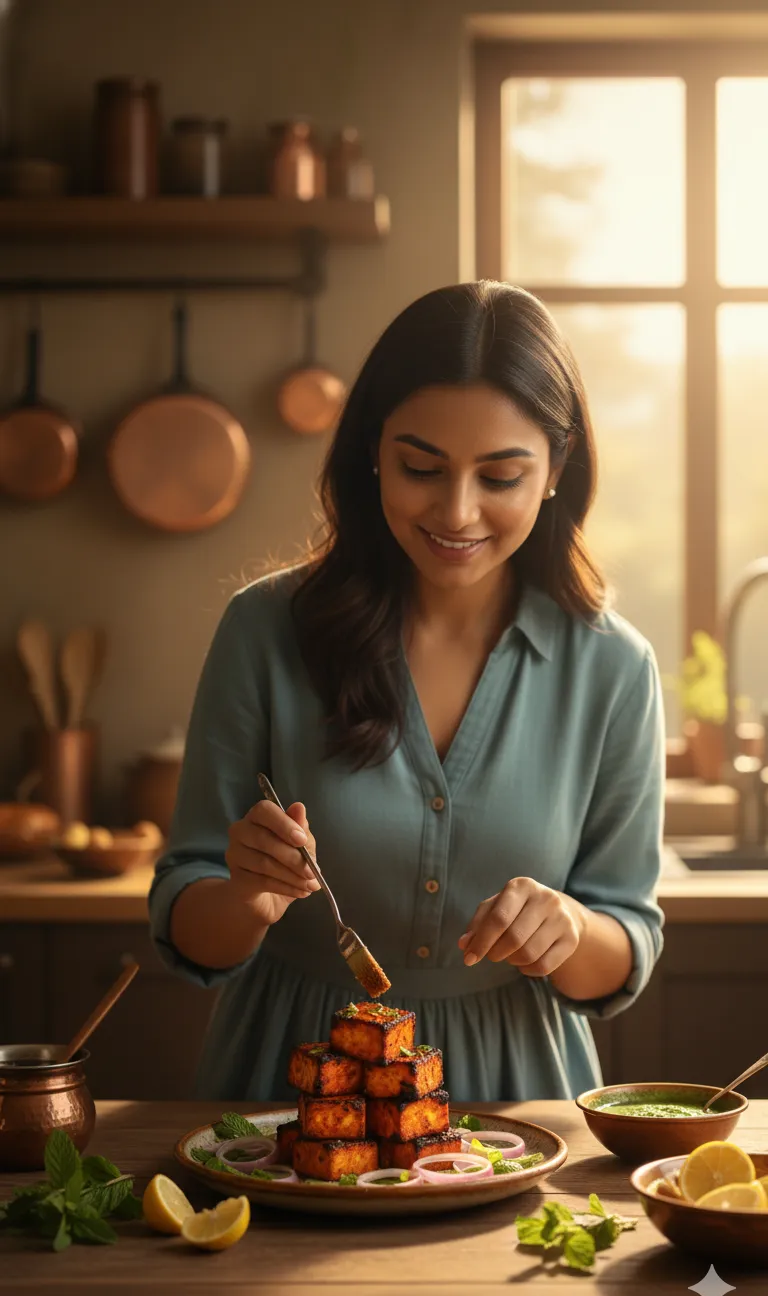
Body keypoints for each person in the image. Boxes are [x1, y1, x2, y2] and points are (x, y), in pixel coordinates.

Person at [149, 281, 664, 1102]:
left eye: (500, 477)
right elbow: (189, 924)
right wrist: (245, 895)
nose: (457, 512)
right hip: (289, 1084)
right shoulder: (264, 629)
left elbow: (625, 942)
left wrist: (569, 928)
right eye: (421, 467)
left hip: (519, 1093)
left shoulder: (615, 667)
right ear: (374, 452)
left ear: (556, 469)